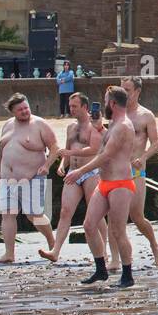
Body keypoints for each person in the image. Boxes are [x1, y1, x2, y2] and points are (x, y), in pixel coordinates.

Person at [67, 87, 138, 286]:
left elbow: (107, 154)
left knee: (118, 230)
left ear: (113, 104)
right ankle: (100, 269)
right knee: (89, 225)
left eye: (106, 101)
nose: (104, 104)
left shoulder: (124, 125)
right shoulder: (113, 124)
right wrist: (98, 128)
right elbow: (103, 147)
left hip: (120, 183)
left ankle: (127, 274)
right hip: (104, 182)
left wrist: (80, 171)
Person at [41, 92, 107, 262]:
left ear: (85, 107)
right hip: (73, 172)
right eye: (70, 106)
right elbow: (67, 149)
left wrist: (69, 152)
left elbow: (94, 149)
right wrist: (63, 164)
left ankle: (104, 250)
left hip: (90, 171)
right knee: (65, 211)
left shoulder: (95, 126)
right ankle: (55, 251)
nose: (71, 109)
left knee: (96, 212)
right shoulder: (70, 127)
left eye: (75, 106)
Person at [0, 93, 57, 264]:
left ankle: (52, 243)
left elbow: (55, 147)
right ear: (13, 112)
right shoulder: (7, 125)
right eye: (20, 109)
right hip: (8, 178)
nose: (24, 111)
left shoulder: (39, 124)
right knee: (7, 214)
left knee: (34, 214)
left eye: (26, 107)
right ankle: (9, 253)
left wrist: (47, 166)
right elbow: (1, 152)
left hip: (33, 176)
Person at [119, 77, 158, 266]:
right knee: (115, 217)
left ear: (137, 91)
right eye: (121, 89)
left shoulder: (146, 115)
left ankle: (155, 246)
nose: (124, 93)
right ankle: (118, 258)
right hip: (117, 171)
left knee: (136, 216)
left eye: (127, 90)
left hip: (136, 171)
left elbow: (155, 143)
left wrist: (144, 157)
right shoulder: (116, 113)